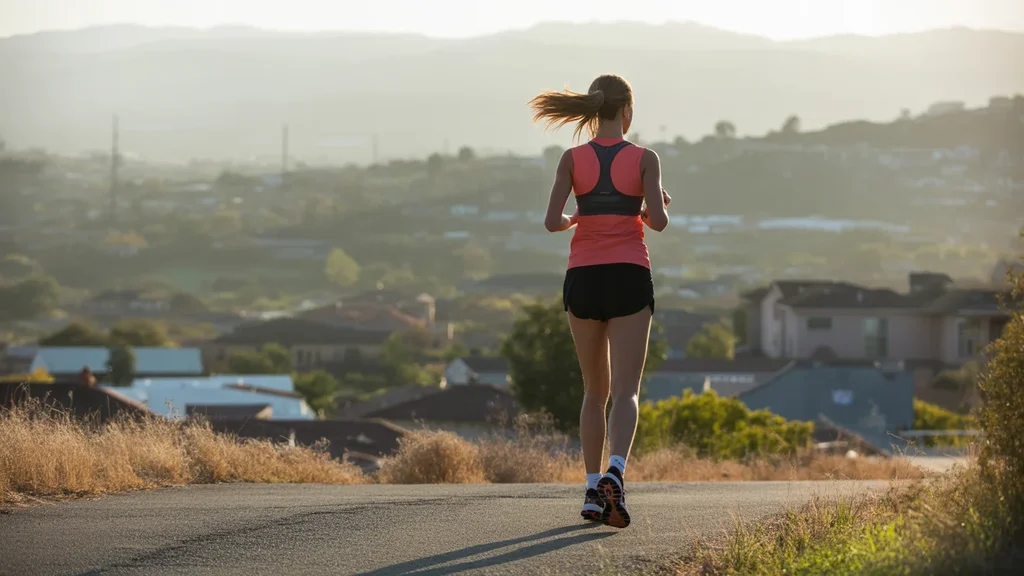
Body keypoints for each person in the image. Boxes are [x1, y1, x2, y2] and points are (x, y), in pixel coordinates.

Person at [528, 74, 670, 529]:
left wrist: (579, 218)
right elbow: (659, 222)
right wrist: (650, 204)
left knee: (595, 391)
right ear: (627, 111)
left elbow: (552, 222)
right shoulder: (645, 158)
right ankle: (616, 473)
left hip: (584, 277)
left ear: (593, 109)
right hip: (630, 275)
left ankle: (593, 489)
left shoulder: (572, 159)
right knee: (626, 391)